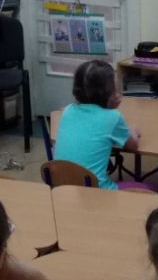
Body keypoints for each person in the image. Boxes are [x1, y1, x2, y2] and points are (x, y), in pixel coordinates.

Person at [55, 59, 141, 190]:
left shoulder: (67, 110)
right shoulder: (113, 117)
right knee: (147, 188)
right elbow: (133, 146)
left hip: (63, 188)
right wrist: (134, 132)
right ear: (109, 91)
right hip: (95, 192)